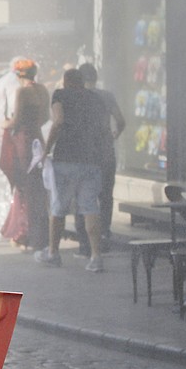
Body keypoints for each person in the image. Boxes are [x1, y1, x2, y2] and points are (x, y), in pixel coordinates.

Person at [35, 68, 106, 272]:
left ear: (66, 82)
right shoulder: (95, 98)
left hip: (65, 158)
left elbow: (58, 121)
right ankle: (96, 256)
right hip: (91, 159)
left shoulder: (60, 95)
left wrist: (46, 149)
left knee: (58, 207)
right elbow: (102, 126)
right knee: (90, 207)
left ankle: (53, 253)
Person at [0, 58, 50, 251]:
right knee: (37, 186)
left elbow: (16, 120)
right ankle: (40, 235)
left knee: (23, 185)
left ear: (19, 75)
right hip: (37, 138)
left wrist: (5, 123)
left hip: (22, 141)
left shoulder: (22, 91)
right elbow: (45, 117)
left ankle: (24, 233)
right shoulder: (42, 90)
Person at [74, 63, 126, 256]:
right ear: (95, 77)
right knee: (105, 197)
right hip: (106, 152)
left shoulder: (77, 98)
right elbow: (121, 121)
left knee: (83, 198)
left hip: (85, 154)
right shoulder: (107, 96)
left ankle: (85, 244)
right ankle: (104, 235)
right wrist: (113, 136)